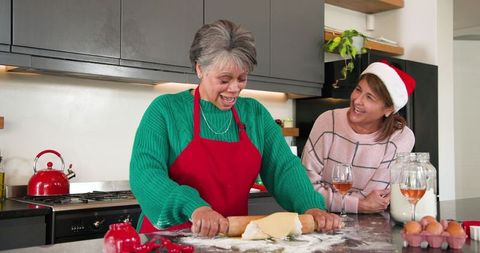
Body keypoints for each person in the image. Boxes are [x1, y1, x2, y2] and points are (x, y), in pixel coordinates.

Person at [130, 19, 341, 237]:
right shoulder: (165, 111)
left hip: (230, 239)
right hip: (170, 239)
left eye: (242, 78)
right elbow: (145, 174)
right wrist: (195, 208)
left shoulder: (255, 114)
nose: (234, 88)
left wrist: (310, 206)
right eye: (225, 79)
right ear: (200, 69)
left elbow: (284, 168)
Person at [302, 61, 416, 214]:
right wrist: (359, 205)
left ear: (388, 109)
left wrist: (337, 200)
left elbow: (375, 200)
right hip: (321, 217)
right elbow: (306, 187)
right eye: (358, 90)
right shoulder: (327, 121)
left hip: (371, 225)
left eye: (370, 97)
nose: (357, 100)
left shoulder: (401, 138)